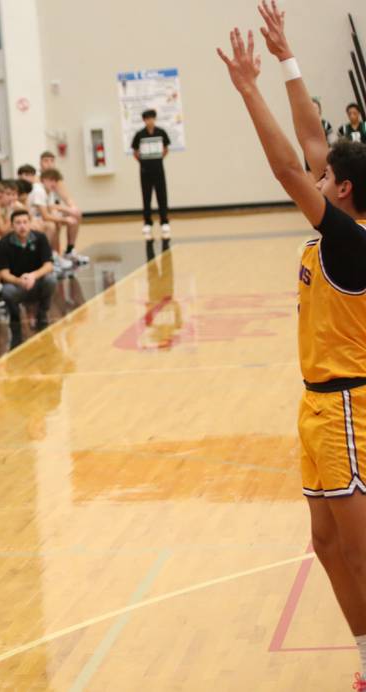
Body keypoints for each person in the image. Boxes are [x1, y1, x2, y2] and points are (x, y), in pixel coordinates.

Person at [218, 3, 366, 685]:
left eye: (324, 174)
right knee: (327, 546)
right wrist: (286, 57)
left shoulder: (352, 241)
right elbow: (312, 140)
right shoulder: (343, 216)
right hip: (317, 409)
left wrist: (248, 90)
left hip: (349, 409)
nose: (315, 171)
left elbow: (286, 166)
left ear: (343, 192)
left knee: (359, 555)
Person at [0, 209, 56, 329]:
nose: (22, 226)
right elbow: (3, 273)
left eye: (25, 222)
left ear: (30, 223)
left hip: (36, 282)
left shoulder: (40, 238)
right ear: (12, 225)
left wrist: (33, 276)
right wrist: (19, 280)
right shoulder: (3, 243)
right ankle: (15, 315)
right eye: (18, 223)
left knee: (50, 280)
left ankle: (43, 311)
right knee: (7, 291)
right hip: (17, 284)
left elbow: (49, 265)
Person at [131, 109, 171, 239]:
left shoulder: (161, 132)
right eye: (147, 118)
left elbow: (166, 149)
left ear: (155, 119)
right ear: (144, 120)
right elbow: (135, 151)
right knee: (146, 196)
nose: (150, 121)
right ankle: (147, 222)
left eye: (152, 118)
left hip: (158, 169)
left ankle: (164, 221)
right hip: (145, 171)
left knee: (162, 195)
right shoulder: (140, 134)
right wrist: (143, 161)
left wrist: (157, 158)